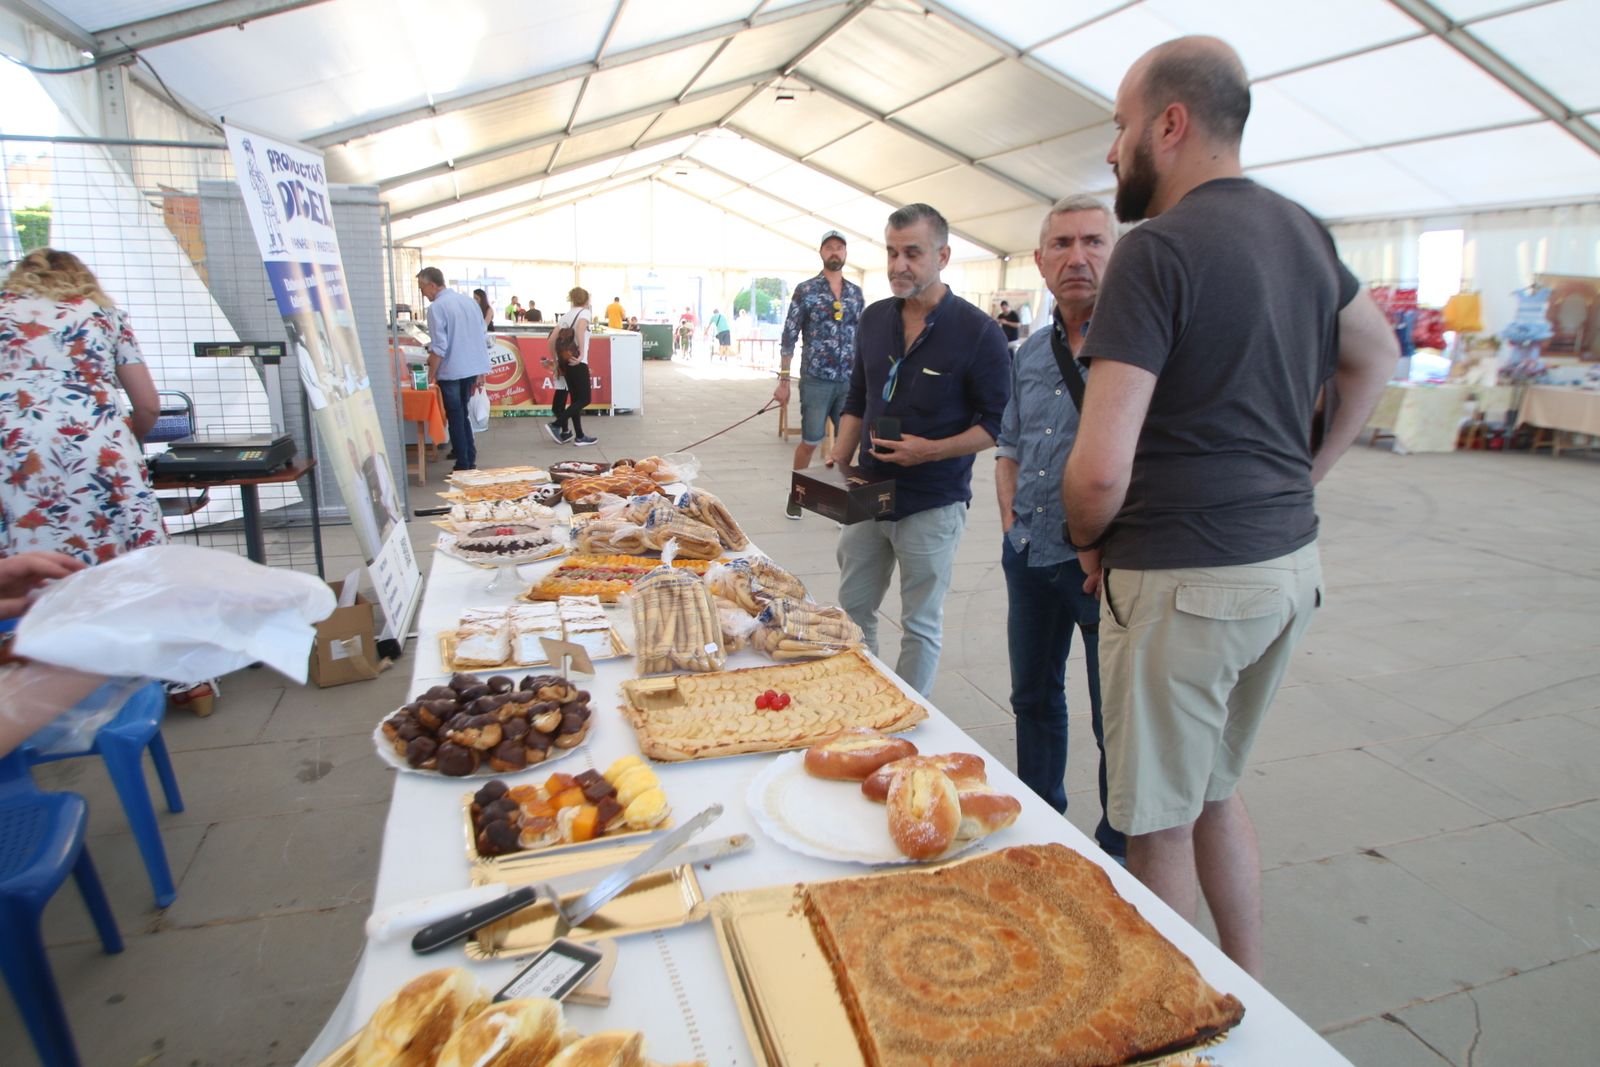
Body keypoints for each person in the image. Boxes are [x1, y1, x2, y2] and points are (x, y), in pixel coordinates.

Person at [1062, 37, 1398, 976]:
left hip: (1183, 581)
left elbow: (1096, 471)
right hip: (1285, 568)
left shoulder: (1155, 251)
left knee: (1154, 822)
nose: (1112, 149)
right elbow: (1376, 355)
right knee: (1212, 788)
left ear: (1170, 126)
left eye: (1122, 126)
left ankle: (1182, 1023)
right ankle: (1250, 989)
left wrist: (1084, 539)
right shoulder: (1302, 231)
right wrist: (1305, 474)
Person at [826, 204, 1010, 697]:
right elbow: (858, 396)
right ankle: (861, 701)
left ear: (943, 255)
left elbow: (997, 424)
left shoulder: (979, 333)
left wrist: (929, 451)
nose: (898, 264)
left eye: (912, 252)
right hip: (868, 491)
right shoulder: (873, 318)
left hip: (932, 500)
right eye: (891, 251)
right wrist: (840, 455)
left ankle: (906, 725)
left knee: (920, 623)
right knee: (853, 609)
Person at [995, 195, 1124, 861]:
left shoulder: (1136, 351)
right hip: (1031, 555)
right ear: (1042, 264)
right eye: (1063, 244)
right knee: (1033, 697)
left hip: (1104, 570)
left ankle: (1117, 851)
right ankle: (1042, 824)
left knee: (1116, 719)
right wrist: (1012, 522)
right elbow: (1008, 443)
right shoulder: (1027, 354)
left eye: (1094, 242)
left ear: (1117, 253)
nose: (1078, 256)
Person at [0, 248, 166, 564]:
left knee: (25, 546)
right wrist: (131, 440)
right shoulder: (102, 315)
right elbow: (148, 407)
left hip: (13, 450)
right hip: (97, 443)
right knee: (117, 556)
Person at [775, 230, 866, 519]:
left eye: (840, 248)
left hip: (850, 381)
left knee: (847, 444)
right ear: (821, 253)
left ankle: (841, 502)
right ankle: (797, 495)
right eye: (830, 248)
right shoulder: (806, 290)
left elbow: (864, 336)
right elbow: (789, 334)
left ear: (846, 254)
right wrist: (784, 380)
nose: (835, 252)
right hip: (816, 378)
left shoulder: (855, 293)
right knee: (810, 441)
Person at [417, 266, 491, 472]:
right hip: (470, 366)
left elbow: (440, 346)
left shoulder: (437, 308)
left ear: (432, 284)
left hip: (451, 368)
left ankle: (464, 462)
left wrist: (431, 373)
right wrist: (481, 369)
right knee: (462, 413)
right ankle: (467, 454)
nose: (422, 293)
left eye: (422, 288)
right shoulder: (468, 302)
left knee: (456, 415)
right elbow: (480, 335)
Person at [546, 287, 597, 447]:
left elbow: (551, 340)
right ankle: (556, 425)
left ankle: (580, 436)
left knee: (576, 399)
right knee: (584, 399)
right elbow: (581, 329)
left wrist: (555, 361)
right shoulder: (585, 313)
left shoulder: (566, 316)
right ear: (586, 299)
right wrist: (581, 353)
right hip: (577, 361)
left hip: (565, 362)